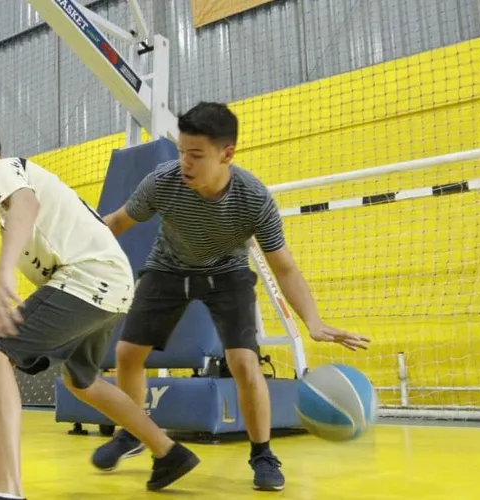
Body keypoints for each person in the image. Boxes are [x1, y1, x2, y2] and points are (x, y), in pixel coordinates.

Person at [91, 101, 372, 492]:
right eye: (181, 152)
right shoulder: (163, 181)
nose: (184, 163)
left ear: (227, 153)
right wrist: (72, 252)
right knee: (127, 353)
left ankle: (262, 453)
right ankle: (134, 430)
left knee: (244, 362)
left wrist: (314, 322)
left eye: (196, 155)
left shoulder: (253, 198)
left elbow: (284, 267)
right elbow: (116, 223)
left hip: (228, 273)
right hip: (168, 268)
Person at [0, 103, 202, 500]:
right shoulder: (16, 178)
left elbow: (26, 206)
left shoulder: (2, 171)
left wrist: (3, 272)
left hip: (86, 278)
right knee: (82, 381)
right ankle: (168, 451)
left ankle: (7, 491)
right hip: (108, 282)